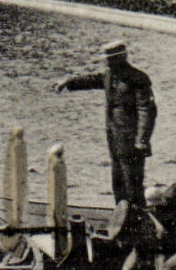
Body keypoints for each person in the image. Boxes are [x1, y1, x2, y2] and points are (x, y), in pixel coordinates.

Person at [54, 41, 158, 214]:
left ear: (121, 58)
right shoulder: (110, 75)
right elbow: (91, 80)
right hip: (115, 138)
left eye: (109, 59)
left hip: (132, 141)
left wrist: (142, 140)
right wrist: (68, 82)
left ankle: (138, 220)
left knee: (133, 184)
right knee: (118, 181)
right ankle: (122, 216)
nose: (106, 63)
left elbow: (146, 110)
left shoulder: (138, 78)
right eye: (106, 60)